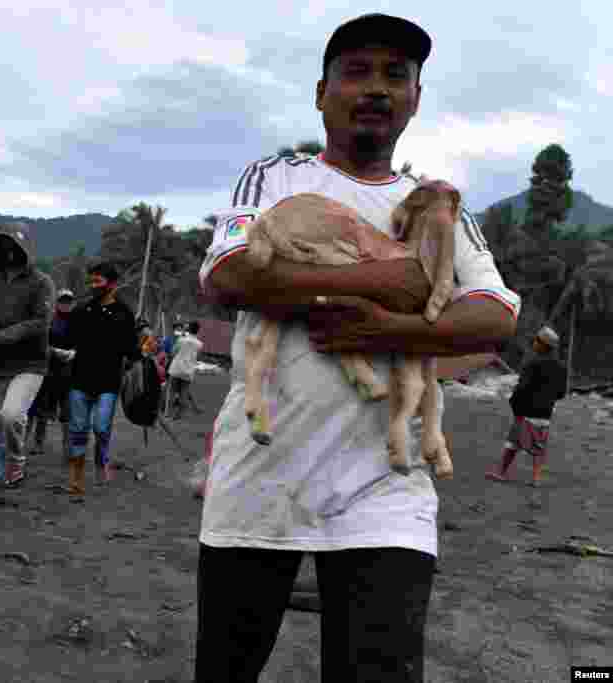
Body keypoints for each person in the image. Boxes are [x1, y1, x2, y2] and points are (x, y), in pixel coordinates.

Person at [194, 14, 520, 683]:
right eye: (356, 72)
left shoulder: (435, 204)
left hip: (387, 491)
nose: (376, 88)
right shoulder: (272, 180)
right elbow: (227, 275)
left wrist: (389, 329)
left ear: (416, 99)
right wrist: (387, 279)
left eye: (395, 75)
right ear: (321, 93)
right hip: (259, 483)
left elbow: (494, 312)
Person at [0, 222, 55, 504]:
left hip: (30, 364)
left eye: (12, 246)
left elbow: (40, 323)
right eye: (1, 246)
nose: (6, 251)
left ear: (23, 249)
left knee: (12, 415)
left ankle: (16, 459)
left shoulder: (42, 283)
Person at [64, 263, 140, 501]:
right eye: (92, 281)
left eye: (99, 281)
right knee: (77, 430)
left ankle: (100, 462)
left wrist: (146, 362)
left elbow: (131, 349)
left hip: (108, 382)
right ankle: (76, 478)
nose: (94, 286)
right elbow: (66, 339)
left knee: (101, 428)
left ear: (112, 284)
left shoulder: (125, 314)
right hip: (79, 379)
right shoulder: (81, 310)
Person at [488, 326, 567, 487]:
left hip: (526, 411)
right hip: (545, 414)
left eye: (537, 340)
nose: (534, 343)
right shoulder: (561, 368)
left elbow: (522, 388)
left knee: (513, 442)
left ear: (544, 344)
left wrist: (514, 404)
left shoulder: (533, 364)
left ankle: (500, 472)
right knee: (538, 446)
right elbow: (561, 393)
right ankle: (536, 478)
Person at [26, 288, 77, 458]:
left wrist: (75, 352)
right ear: (57, 303)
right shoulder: (49, 321)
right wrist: (55, 351)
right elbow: (40, 344)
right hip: (48, 372)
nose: (65, 304)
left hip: (69, 374)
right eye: (62, 301)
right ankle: (38, 443)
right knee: (41, 410)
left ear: (72, 303)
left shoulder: (78, 322)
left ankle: (68, 447)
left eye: (68, 301)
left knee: (67, 412)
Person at [167, 320, 204, 419]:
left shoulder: (181, 340)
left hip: (176, 368)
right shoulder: (200, 344)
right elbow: (197, 358)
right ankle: (178, 414)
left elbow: (173, 352)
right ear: (198, 331)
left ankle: (168, 413)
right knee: (183, 394)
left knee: (171, 392)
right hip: (188, 371)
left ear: (188, 329)